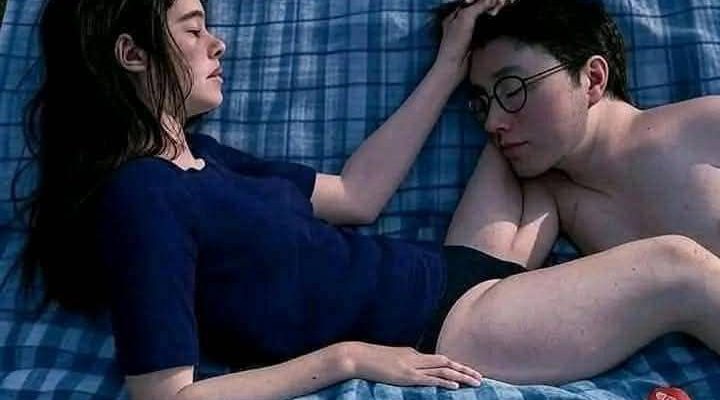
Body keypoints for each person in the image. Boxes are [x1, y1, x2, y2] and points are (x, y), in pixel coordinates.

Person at [10, 0, 720, 399]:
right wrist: (348, 359)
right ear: (133, 54)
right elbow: (166, 397)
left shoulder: (207, 159)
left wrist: (453, 61)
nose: (218, 44)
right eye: (193, 29)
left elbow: (358, 195)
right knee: (678, 267)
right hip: (453, 327)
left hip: (451, 271)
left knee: (536, 141)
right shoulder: (142, 195)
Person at [431, 0, 720, 385]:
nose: (492, 123)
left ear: (593, 79)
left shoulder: (705, 125)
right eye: (482, 105)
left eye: (513, 89)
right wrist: (454, 68)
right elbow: (462, 306)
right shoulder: (549, 195)